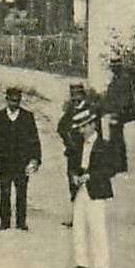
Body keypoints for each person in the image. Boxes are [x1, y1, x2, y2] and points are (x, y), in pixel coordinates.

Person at [61, 106, 123, 268]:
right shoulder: (78, 144)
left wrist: (90, 176)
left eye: (84, 126)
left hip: (96, 190)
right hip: (80, 190)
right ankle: (82, 264)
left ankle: (102, 267)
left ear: (93, 125)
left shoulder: (104, 145)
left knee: (97, 228)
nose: (81, 130)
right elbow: (72, 164)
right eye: (79, 127)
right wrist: (74, 176)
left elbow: (111, 169)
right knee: (78, 227)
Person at [0, 86, 42, 230]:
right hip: (4, 163)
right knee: (4, 193)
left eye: (17, 101)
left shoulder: (27, 117)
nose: (14, 104)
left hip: (21, 163)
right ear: (6, 100)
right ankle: (4, 222)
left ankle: (21, 222)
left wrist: (35, 160)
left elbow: (34, 140)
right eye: (12, 101)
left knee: (21, 193)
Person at [55, 82, 90, 225]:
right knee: (73, 183)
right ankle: (76, 216)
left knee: (87, 183)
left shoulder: (90, 111)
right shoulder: (70, 111)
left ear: (83, 95)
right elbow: (61, 127)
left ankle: (88, 215)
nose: (76, 100)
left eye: (78, 96)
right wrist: (68, 141)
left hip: (87, 152)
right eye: (73, 97)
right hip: (73, 153)